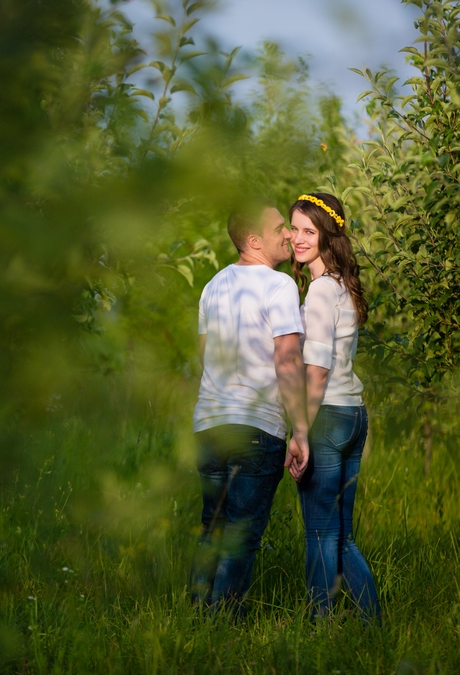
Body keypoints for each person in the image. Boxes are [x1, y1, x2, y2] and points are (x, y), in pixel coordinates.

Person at [190, 201, 310, 615]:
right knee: (240, 535)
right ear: (254, 240)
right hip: (256, 427)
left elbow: (204, 357)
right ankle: (220, 628)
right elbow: (288, 360)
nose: (289, 235)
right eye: (280, 228)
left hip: (209, 424)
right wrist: (300, 430)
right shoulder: (279, 286)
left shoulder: (211, 286)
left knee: (213, 528)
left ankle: (195, 622)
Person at [288, 192, 381, 621]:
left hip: (327, 416)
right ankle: (374, 623)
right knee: (341, 535)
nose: (298, 238)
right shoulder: (343, 286)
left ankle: (317, 627)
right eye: (294, 229)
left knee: (321, 533)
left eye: (310, 231)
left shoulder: (322, 292)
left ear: (328, 236)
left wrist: (301, 430)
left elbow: (318, 369)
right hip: (353, 414)